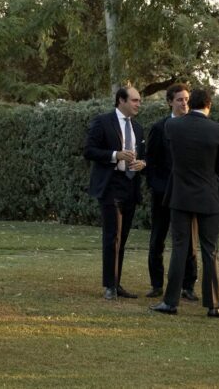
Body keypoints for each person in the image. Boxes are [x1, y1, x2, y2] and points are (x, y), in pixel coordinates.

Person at [149, 88, 219, 318]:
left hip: (180, 195)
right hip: (207, 195)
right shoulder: (217, 130)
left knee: (179, 247)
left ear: (190, 103)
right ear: (209, 105)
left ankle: (170, 301)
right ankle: (213, 304)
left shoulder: (172, 126)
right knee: (209, 249)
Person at [84, 85, 146, 300]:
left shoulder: (138, 128)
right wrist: (115, 155)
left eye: (139, 100)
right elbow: (89, 151)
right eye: (135, 100)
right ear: (121, 100)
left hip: (130, 185)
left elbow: (143, 155)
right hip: (110, 185)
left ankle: (117, 283)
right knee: (113, 235)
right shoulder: (103, 121)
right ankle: (109, 285)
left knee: (124, 236)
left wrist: (142, 163)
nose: (139, 104)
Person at [144, 83, 198, 301]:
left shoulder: (195, 126)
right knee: (158, 238)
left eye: (186, 99)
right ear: (169, 102)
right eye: (179, 100)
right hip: (163, 194)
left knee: (189, 241)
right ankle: (157, 284)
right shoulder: (159, 128)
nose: (184, 103)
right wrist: (157, 187)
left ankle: (188, 286)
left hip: (187, 194)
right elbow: (151, 162)